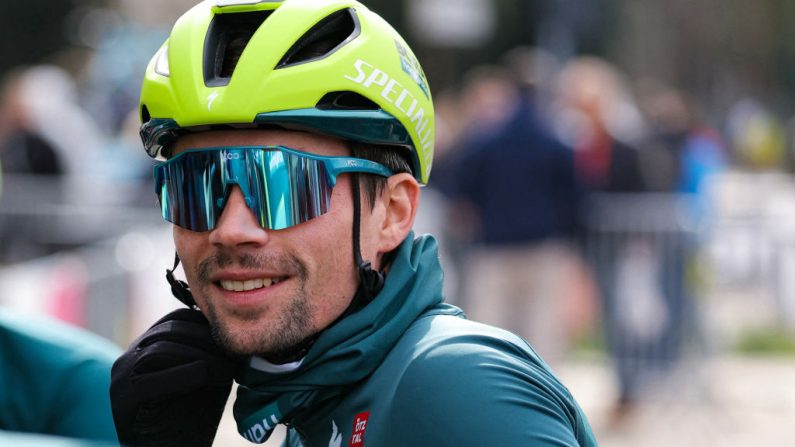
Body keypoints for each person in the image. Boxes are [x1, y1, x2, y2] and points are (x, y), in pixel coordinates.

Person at [109, 1, 598, 446]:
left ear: (393, 212)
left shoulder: (457, 387)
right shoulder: (315, 397)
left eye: (284, 185)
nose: (232, 228)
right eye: (198, 188)